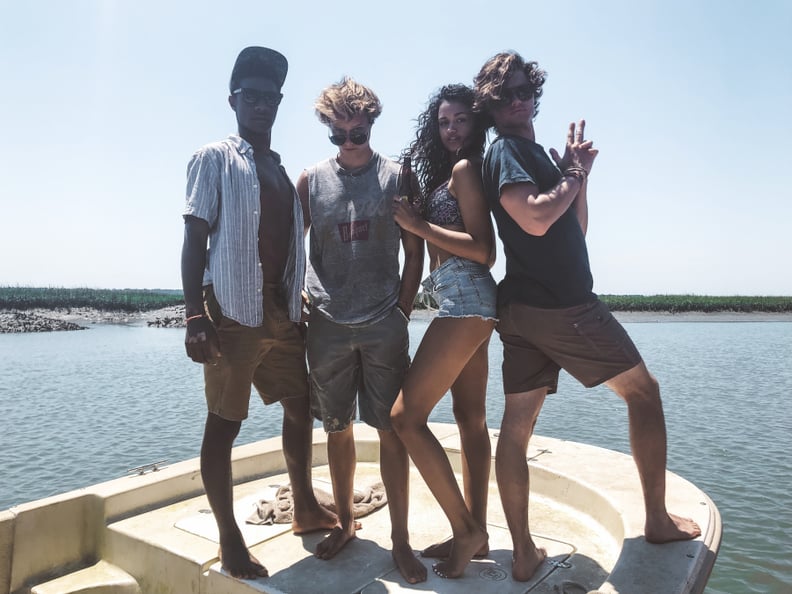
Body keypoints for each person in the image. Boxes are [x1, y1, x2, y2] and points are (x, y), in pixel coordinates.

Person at [473, 51, 702, 582]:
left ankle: (525, 553)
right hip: (562, 305)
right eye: (504, 93)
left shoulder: (531, 152)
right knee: (644, 393)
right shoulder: (507, 150)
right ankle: (658, 520)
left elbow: (572, 224)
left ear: (535, 90)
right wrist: (571, 172)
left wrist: (580, 177)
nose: (517, 98)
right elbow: (533, 217)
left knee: (517, 426)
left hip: (526, 309)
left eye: (524, 87)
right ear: (491, 103)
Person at [181, 46, 336, 580]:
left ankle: (306, 506)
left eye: (270, 98)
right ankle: (230, 540)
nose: (262, 105)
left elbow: (290, 245)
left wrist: (297, 305)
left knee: (299, 405)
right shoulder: (214, 158)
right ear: (233, 100)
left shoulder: (277, 168)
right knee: (223, 425)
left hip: (282, 312)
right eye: (252, 97)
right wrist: (194, 316)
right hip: (231, 313)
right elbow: (194, 237)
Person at [295, 76, 427, 584]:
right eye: (339, 134)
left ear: (371, 124)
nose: (349, 142)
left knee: (391, 429)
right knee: (336, 427)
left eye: (358, 132)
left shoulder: (397, 176)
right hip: (326, 324)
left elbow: (413, 250)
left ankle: (399, 539)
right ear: (329, 130)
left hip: (383, 322)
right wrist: (299, 296)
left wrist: (403, 310)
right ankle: (347, 522)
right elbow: (292, 249)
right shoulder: (312, 181)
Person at [389, 84, 497, 579]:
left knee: (405, 418)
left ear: (476, 124)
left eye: (460, 121)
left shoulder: (465, 169)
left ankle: (467, 528)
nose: (451, 129)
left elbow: (483, 249)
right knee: (470, 418)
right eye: (443, 122)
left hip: (466, 299)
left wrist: (419, 225)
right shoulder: (451, 173)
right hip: (464, 300)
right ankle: (474, 533)